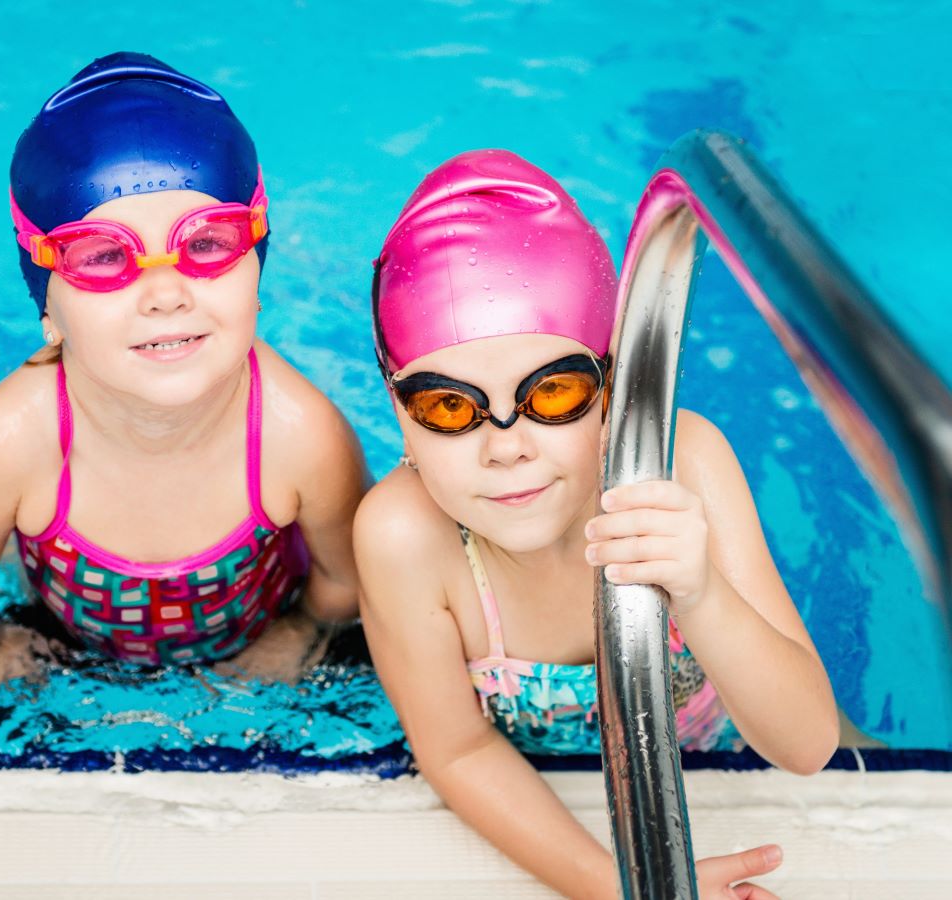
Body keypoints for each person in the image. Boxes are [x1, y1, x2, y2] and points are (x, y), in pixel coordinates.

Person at [353, 149, 839, 898]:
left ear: (612, 385)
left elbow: (807, 745)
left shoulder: (686, 466)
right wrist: (617, 886)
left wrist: (702, 593)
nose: (507, 447)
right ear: (397, 413)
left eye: (552, 394)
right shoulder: (402, 536)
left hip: (725, 756)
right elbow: (457, 751)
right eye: (449, 406)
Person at [0, 53, 367, 695]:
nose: (165, 293)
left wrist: (298, 633)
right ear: (47, 305)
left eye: (206, 243)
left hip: (251, 622)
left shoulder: (299, 435)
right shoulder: (8, 444)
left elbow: (344, 584)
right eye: (102, 257)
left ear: (257, 264)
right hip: (44, 535)